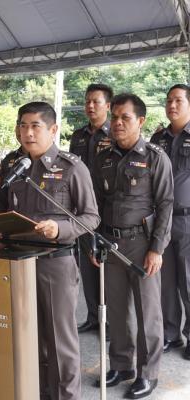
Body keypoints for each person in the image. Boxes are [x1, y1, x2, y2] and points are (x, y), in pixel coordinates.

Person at [4, 102, 100, 400]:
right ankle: (41, 392)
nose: (28, 133)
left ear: (53, 129)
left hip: (55, 264)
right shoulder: (16, 166)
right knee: (31, 336)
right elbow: (10, 212)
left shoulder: (72, 167)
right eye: (23, 126)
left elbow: (91, 217)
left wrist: (60, 229)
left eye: (35, 126)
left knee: (60, 341)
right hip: (21, 263)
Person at [92, 94, 173, 398]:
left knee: (147, 312)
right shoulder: (104, 158)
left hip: (142, 245)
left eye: (125, 117)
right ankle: (122, 365)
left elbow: (165, 204)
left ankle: (148, 373)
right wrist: (95, 241)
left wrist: (157, 249)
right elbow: (96, 204)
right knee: (116, 310)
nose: (117, 123)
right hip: (110, 243)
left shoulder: (155, 157)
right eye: (114, 117)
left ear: (140, 121)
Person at [69, 83, 113, 334]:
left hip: (107, 207)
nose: (90, 106)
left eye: (96, 101)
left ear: (108, 105)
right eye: (87, 101)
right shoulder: (78, 136)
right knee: (88, 264)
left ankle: (111, 321)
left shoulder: (115, 132)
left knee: (108, 268)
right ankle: (93, 317)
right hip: (83, 209)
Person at [150, 83, 190, 360]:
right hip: (162, 220)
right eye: (168, 101)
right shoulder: (158, 138)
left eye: (178, 100)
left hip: (188, 220)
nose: (172, 105)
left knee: (188, 281)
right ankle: (170, 333)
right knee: (165, 282)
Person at [0, 127, 26, 213]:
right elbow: (3, 193)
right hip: (13, 215)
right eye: (19, 125)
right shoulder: (9, 158)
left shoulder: (42, 158)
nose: (20, 130)